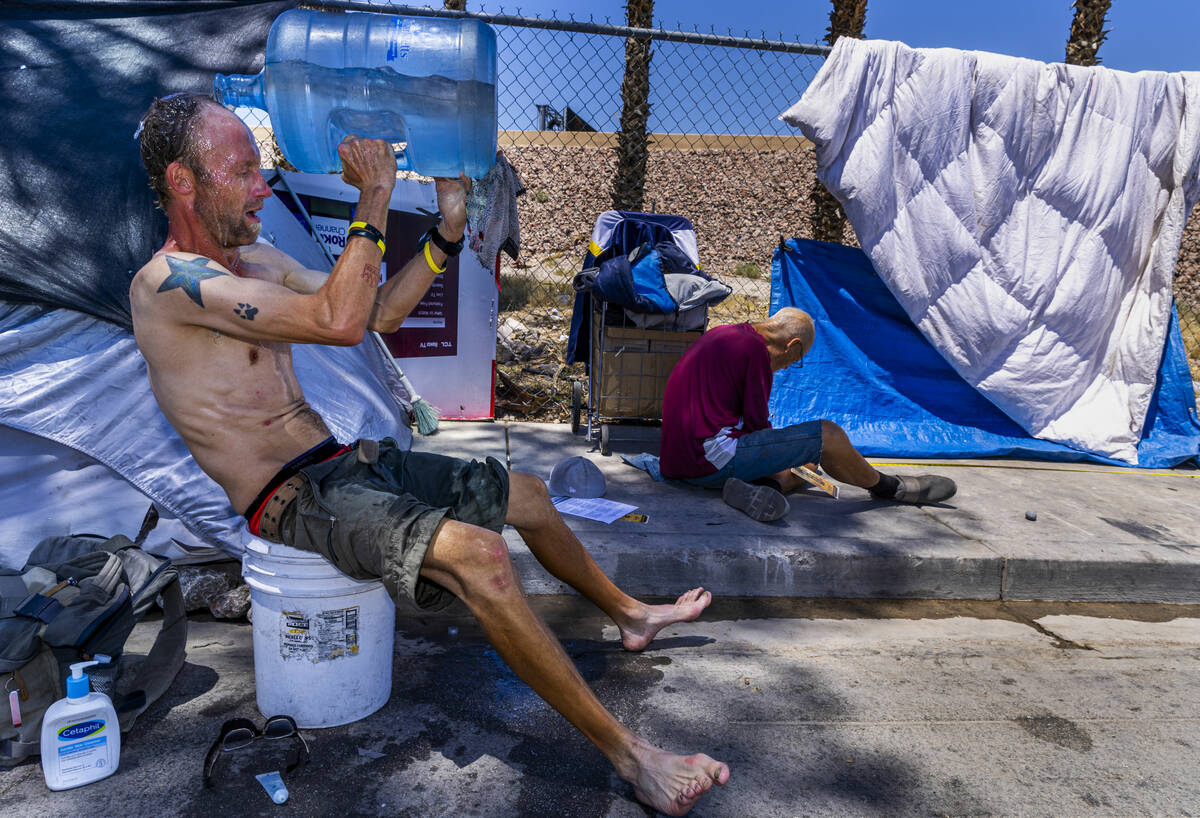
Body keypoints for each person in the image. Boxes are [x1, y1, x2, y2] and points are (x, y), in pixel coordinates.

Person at [129, 93, 728, 815]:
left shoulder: (252, 258)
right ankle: (634, 759)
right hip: (287, 497)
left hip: (340, 463)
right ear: (184, 182)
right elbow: (339, 322)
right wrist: (375, 194)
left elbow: (377, 313)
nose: (262, 184)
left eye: (261, 168)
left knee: (530, 495)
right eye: (243, 170)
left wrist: (445, 235)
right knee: (482, 556)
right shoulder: (167, 286)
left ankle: (630, 614)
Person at [660, 308, 957, 521]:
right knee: (827, 435)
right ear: (793, 346)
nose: (789, 365)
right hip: (710, 459)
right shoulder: (755, 352)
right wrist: (784, 452)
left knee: (808, 468)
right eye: (795, 360)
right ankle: (889, 487)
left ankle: (766, 490)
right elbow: (757, 427)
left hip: (678, 462)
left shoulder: (727, 335)